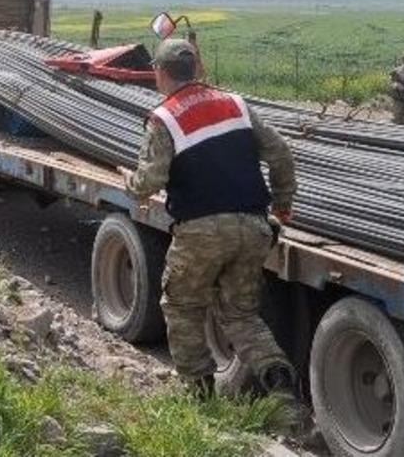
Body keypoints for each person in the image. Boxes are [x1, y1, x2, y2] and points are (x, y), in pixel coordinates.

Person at [120, 39, 297, 399]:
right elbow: (280, 152)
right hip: (253, 227)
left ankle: (200, 395)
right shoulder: (236, 104)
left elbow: (149, 182)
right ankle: (277, 378)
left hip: (201, 232)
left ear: (160, 72)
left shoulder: (164, 117)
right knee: (241, 315)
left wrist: (130, 182)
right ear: (196, 69)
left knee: (182, 307)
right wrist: (282, 206)